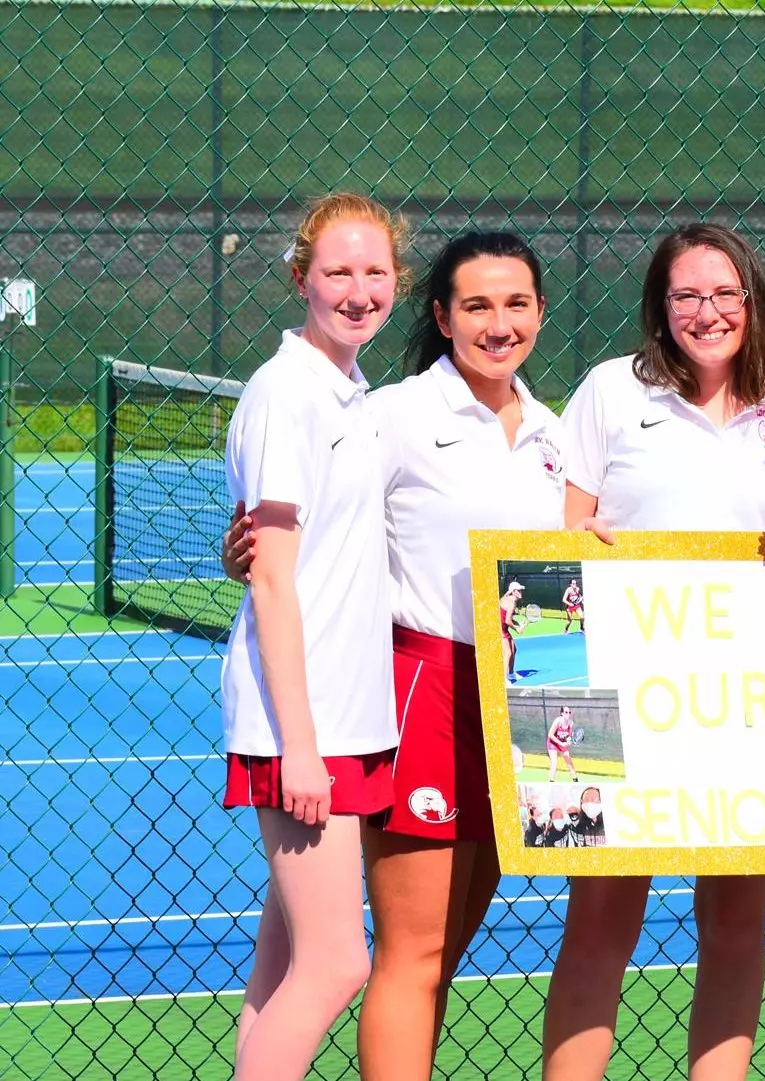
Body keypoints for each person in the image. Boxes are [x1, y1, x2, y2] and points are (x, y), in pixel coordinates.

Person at [219, 230, 570, 1081]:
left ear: (541, 313)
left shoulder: (561, 435)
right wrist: (243, 551)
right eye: (477, 305)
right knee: (403, 954)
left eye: (516, 303)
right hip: (423, 693)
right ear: (442, 316)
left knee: (442, 951)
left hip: (535, 698)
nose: (499, 323)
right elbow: (309, 522)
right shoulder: (392, 414)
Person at [543, 223, 765, 1081]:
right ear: (661, 305)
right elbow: (561, 537)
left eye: (725, 293)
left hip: (746, 709)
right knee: (603, 918)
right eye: (687, 294)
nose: (707, 311)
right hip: (620, 699)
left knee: (734, 921)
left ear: (751, 300)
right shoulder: (611, 391)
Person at [218, 192, 405, 1081]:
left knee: (283, 967)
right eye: (339, 271)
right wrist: (301, 747)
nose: (359, 290)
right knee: (339, 963)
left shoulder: (350, 393)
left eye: (376, 272)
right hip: (306, 724)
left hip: (346, 715)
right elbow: (273, 577)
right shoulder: (287, 392)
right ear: (302, 278)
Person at [547, 706, 580, 783]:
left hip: (562, 743)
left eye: (569, 712)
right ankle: (551, 784)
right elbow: (550, 735)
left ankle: (576, 782)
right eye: (566, 712)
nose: (568, 714)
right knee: (554, 763)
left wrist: (568, 741)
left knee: (569, 763)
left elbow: (569, 735)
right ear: (562, 713)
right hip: (552, 743)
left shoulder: (571, 723)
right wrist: (561, 743)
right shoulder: (557, 721)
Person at [500, 581, 525, 683]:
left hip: (502, 628)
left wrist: (517, 624)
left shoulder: (506, 597)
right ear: (514, 592)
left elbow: (506, 617)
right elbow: (507, 621)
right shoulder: (512, 603)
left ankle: (511, 674)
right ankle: (504, 680)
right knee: (508, 653)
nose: (521, 592)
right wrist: (517, 628)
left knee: (513, 648)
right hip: (500, 630)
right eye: (518, 590)